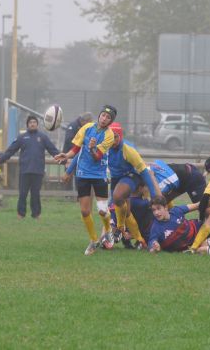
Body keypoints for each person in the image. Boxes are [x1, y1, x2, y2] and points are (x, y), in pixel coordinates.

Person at [54, 105, 116, 255]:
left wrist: (93, 147)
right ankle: (94, 240)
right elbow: (76, 149)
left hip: (99, 175)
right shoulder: (87, 127)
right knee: (84, 211)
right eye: (103, 115)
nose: (104, 119)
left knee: (102, 210)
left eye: (108, 118)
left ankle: (108, 229)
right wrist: (67, 156)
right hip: (82, 174)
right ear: (99, 116)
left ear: (110, 121)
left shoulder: (109, 135)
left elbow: (97, 156)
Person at [107, 121, 162, 249]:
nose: (112, 140)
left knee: (117, 197)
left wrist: (153, 195)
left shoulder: (128, 149)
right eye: (109, 136)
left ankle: (120, 229)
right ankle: (139, 240)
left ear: (120, 136)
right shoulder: (104, 147)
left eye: (115, 136)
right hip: (116, 178)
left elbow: (144, 171)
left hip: (132, 176)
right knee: (125, 211)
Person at [0, 115, 60, 219]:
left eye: (34, 122)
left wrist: (64, 160)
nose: (32, 124)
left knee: (35, 194)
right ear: (27, 125)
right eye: (30, 122)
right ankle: (21, 214)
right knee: (22, 194)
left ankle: (36, 215)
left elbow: (53, 151)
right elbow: (11, 150)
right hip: (25, 171)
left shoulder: (43, 137)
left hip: (38, 171)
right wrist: (0, 160)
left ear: (37, 124)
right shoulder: (21, 137)